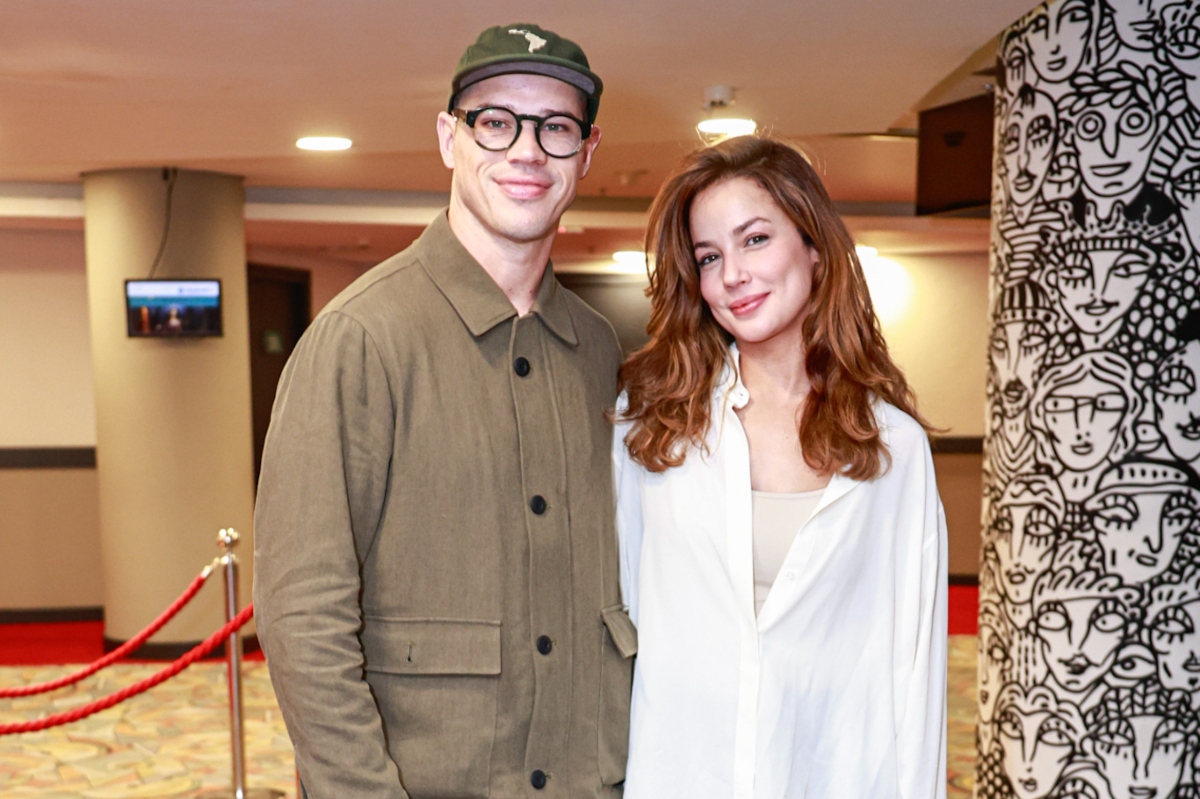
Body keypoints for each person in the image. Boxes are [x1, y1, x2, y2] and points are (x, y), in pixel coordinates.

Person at [254, 23, 636, 799]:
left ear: (586, 154)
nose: (527, 152)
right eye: (496, 122)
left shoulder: (601, 352)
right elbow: (303, 617)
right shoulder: (360, 339)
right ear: (448, 138)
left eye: (556, 128)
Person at [613, 136, 948, 798]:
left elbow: (918, 673)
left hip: (831, 776)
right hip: (677, 776)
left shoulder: (893, 450)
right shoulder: (653, 424)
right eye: (709, 256)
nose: (731, 273)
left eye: (755, 239)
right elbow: (620, 615)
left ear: (814, 247)